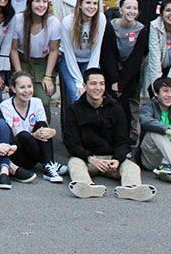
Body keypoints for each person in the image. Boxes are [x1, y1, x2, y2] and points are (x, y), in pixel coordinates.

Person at [63, 68, 156, 201]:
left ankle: (131, 189)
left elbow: (123, 140)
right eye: (93, 83)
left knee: (132, 167)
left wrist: (117, 159)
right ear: (85, 86)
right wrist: (90, 158)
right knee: (74, 163)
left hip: (112, 159)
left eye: (101, 84)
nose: (98, 88)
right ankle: (87, 187)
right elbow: (71, 143)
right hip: (89, 159)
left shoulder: (116, 108)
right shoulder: (74, 110)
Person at [0, 71, 66, 183]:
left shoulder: (36, 102)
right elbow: (13, 136)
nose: (27, 90)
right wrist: (34, 135)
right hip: (17, 154)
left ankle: (49, 166)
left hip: (33, 151)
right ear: (14, 89)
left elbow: (44, 126)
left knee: (42, 126)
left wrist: (52, 131)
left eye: (29, 86)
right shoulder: (5, 105)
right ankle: (49, 164)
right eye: (22, 87)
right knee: (24, 135)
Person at [99, 0, 149, 142]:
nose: (131, 11)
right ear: (121, 10)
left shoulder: (142, 30)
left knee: (125, 106)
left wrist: (121, 84)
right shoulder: (110, 26)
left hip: (129, 74)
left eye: (135, 8)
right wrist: (114, 80)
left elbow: (136, 59)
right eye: (128, 7)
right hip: (110, 70)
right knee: (108, 103)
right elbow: (108, 54)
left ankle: (125, 139)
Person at [9, 0, 60, 124]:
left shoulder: (53, 22)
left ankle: (44, 130)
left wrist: (48, 76)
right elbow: (13, 49)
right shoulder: (19, 19)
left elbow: (54, 50)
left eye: (44, 1)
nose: (41, 5)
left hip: (43, 63)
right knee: (22, 96)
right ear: (30, 3)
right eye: (37, 1)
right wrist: (18, 73)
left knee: (44, 100)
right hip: (22, 60)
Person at [58, 0, 106, 126]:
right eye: (88, 3)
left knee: (92, 93)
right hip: (68, 60)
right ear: (80, 4)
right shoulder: (68, 22)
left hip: (89, 60)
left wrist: (89, 78)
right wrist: (80, 82)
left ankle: (90, 130)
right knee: (76, 94)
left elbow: (97, 51)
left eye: (95, 4)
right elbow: (69, 54)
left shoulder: (101, 19)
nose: (92, 7)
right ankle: (74, 132)